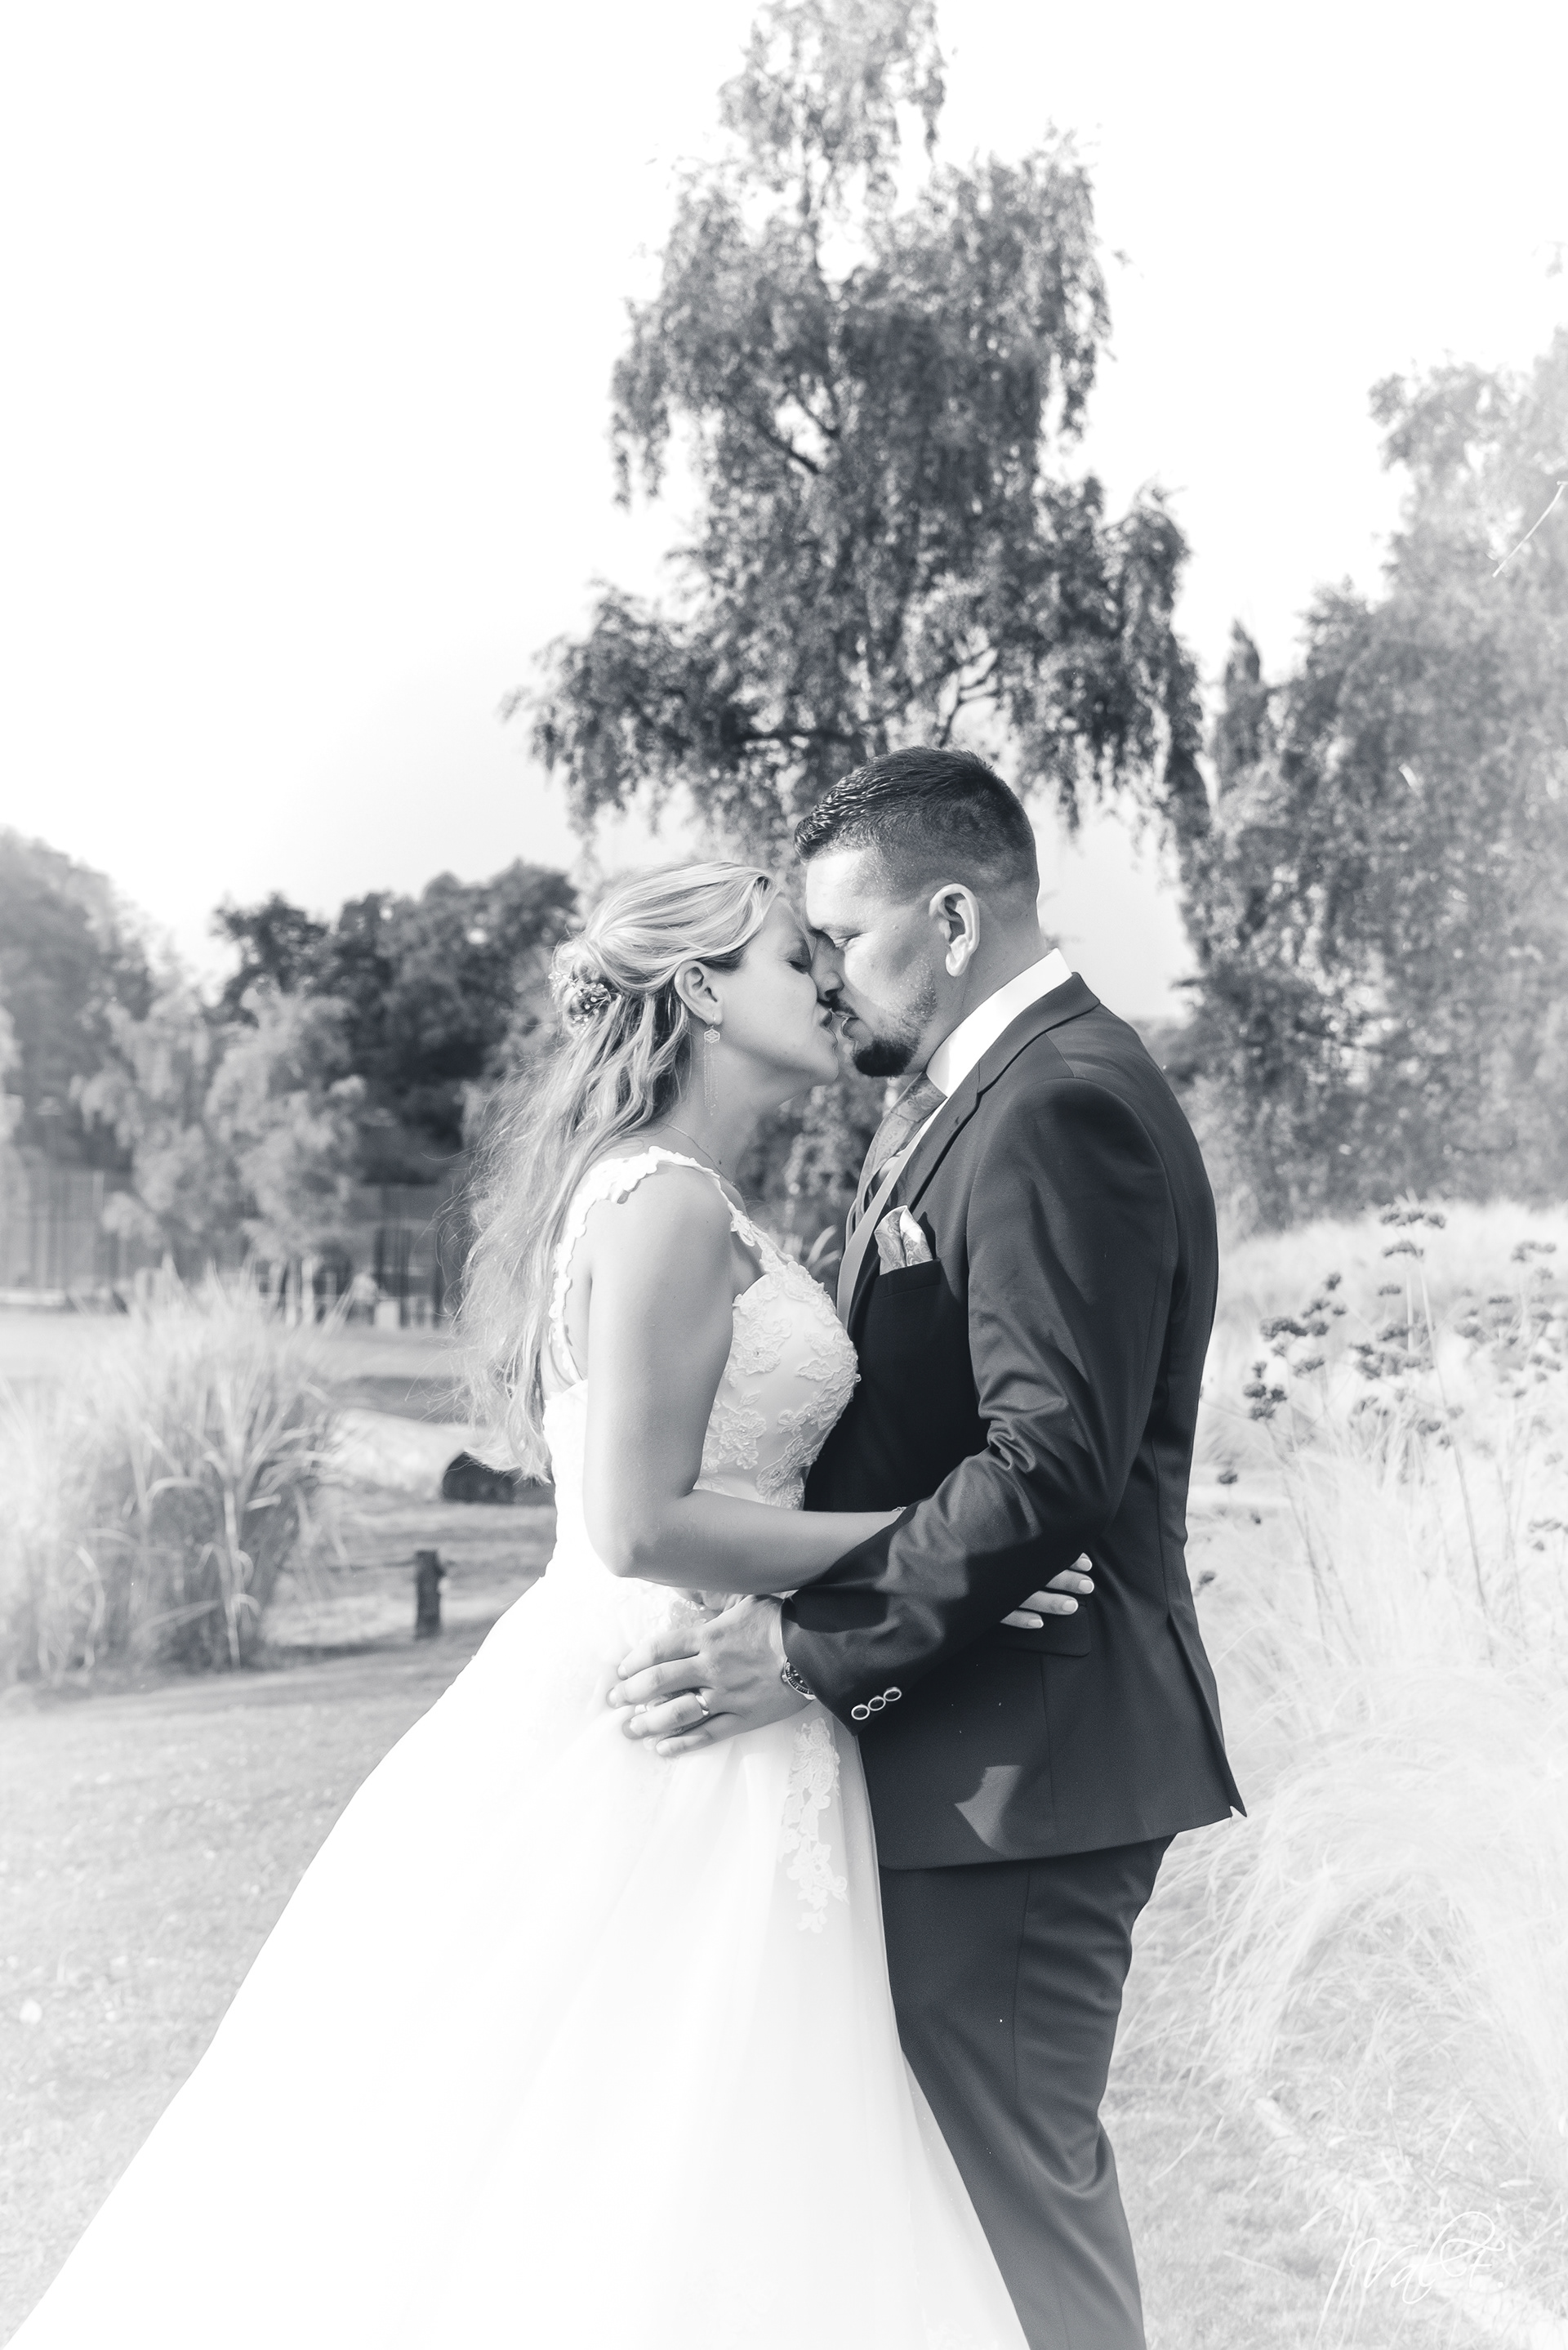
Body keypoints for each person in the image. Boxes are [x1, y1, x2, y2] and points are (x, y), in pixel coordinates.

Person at [11, 859, 1085, 2350]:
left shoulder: (691, 1199)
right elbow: (638, 1524)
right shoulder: (664, 1206)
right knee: (610, 2137)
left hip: (726, 1697)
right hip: (665, 1713)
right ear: (701, 991)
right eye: (794, 959)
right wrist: (931, 1547)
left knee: (687, 2148)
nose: (829, 982)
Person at [611, 752, 1244, 2350]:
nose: (825, 975)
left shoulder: (1058, 1103)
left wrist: (802, 1648)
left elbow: (1050, 1466)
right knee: (924, 2231)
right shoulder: (963, 1100)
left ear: (951, 919)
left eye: (839, 936)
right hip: (958, 1750)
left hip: (1024, 1767)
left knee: (1009, 2221)